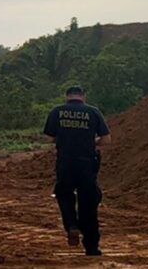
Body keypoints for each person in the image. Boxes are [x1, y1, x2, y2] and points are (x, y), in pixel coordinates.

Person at [43, 86, 111, 256]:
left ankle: (72, 225)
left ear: (67, 97)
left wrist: (66, 139)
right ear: (83, 97)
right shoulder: (93, 112)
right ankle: (92, 248)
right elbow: (106, 139)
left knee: (64, 194)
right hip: (87, 163)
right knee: (88, 203)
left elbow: (50, 138)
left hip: (65, 162)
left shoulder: (57, 111)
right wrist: (89, 141)